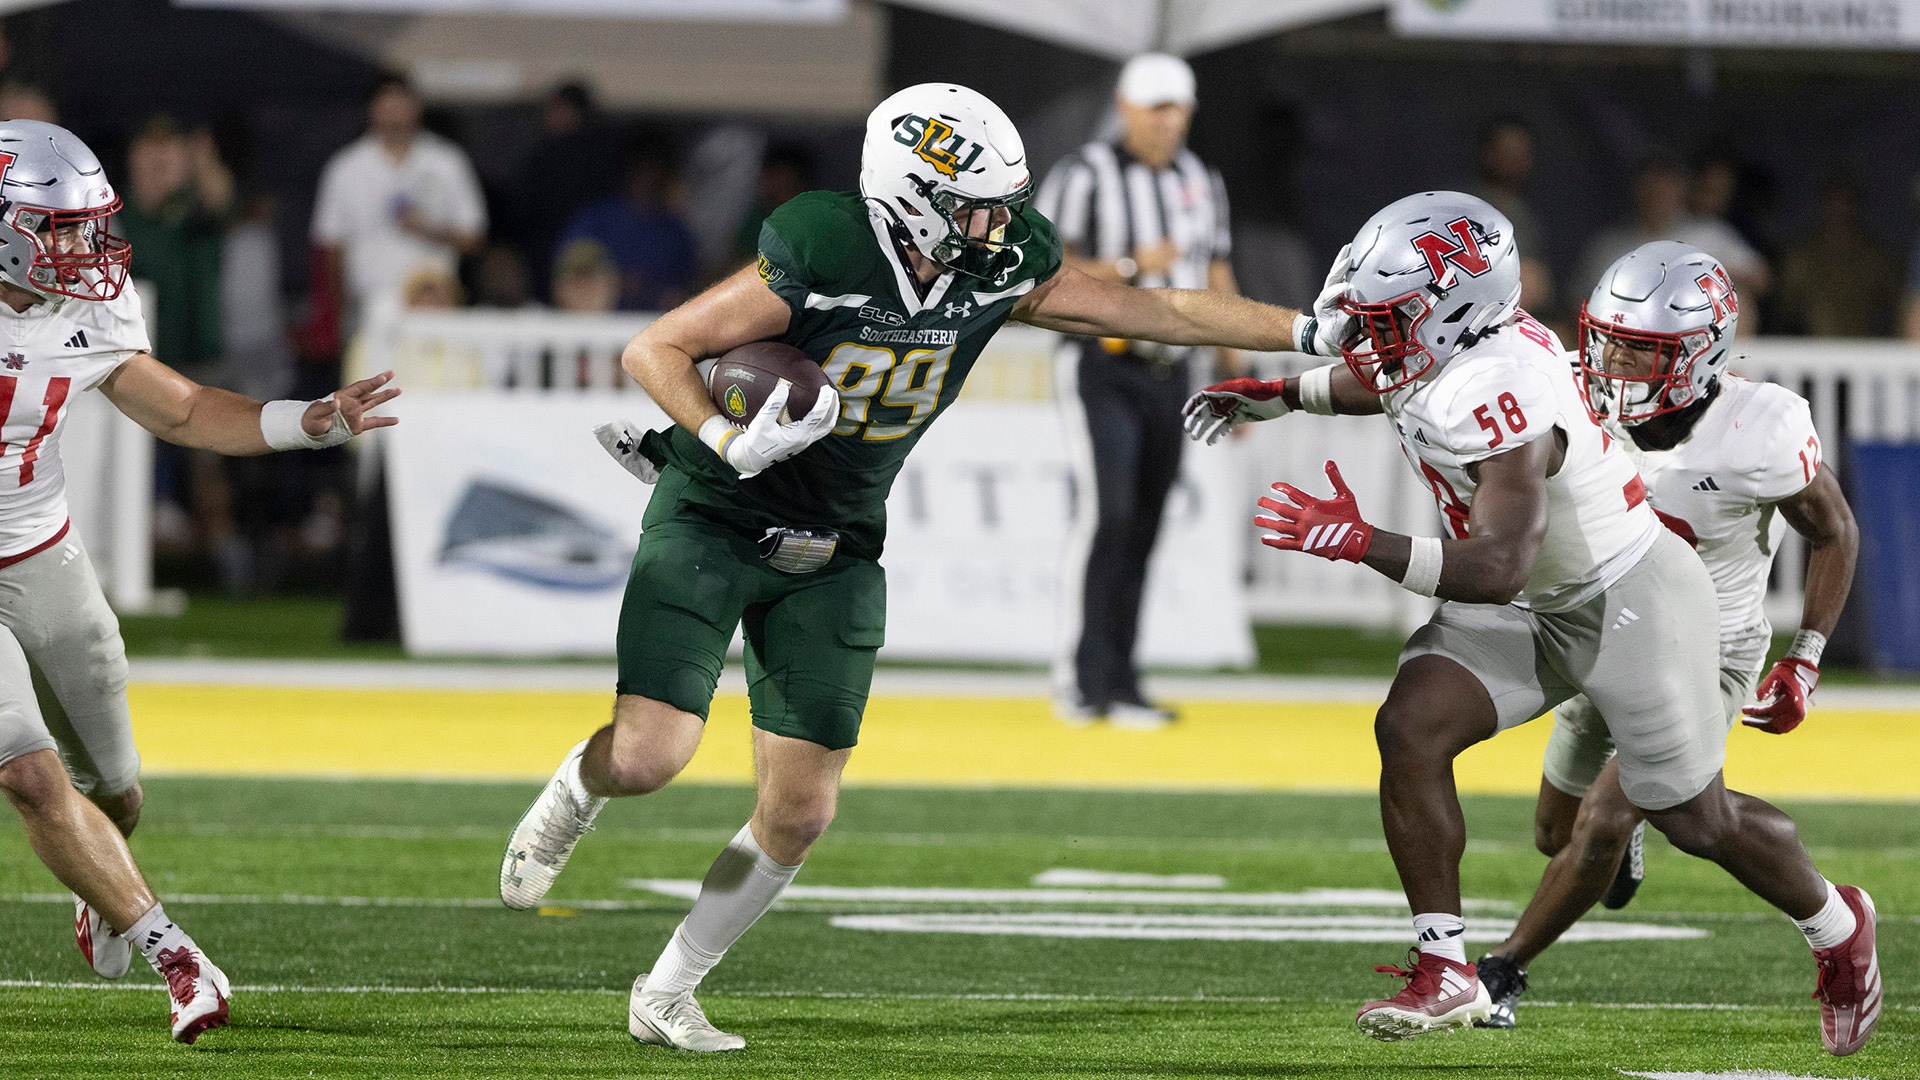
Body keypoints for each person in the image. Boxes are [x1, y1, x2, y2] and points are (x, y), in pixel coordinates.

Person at [497, 81, 1347, 1053]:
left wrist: (1303, 331)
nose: (1003, 224)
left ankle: (669, 989)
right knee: (651, 757)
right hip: (716, 514)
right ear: (913, 197)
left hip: (838, 543)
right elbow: (658, 349)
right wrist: (722, 438)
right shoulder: (828, 241)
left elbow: (1153, 308)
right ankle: (580, 788)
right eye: (980, 204)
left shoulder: (998, 265)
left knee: (801, 810)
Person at [1184, 191, 1881, 1056]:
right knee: (1413, 728)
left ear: (1455, 313)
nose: (1371, 333)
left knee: (1695, 820)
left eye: (1392, 315)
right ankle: (1447, 970)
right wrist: (1282, 396)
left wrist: (1363, 540)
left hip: (1631, 601)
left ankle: (1835, 923)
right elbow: (1389, 377)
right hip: (1538, 599)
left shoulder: (1500, 388)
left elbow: (1495, 566)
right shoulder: (1451, 343)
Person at [0, 119, 399, 1041]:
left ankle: (103, 887)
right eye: (62, 229)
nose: (86, 249)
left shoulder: (85, 307)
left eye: (88, 225)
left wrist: (306, 420)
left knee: (118, 792)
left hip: (37, 547)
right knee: (26, 773)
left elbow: (178, 410)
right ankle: (177, 956)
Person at [1470, 242, 1862, 1031]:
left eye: (1639, 350)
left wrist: (1805, 659)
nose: (1611, 364)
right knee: (1557, 833)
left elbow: (1836, 530)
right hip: (1601, 631)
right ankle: (1633, 827)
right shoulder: (1573, 398)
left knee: (1620, 818)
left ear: (1700, 353)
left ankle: (1500, 972)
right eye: (1606, 341)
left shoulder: (1759, 428)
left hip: (1705, 649)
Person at [1034, 52, 1240, 726]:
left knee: (1148, 521)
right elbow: (1042, 268)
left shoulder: (1199, 178)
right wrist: (1128, 267)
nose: (1168, 120)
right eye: (1156, 106)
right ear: (1125, 108)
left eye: (1177, 107)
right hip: (1102, 360)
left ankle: (1122, 678)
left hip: (1170, 368)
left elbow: (1216, 273)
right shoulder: (1085, 174)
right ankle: (1082, 677)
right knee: (1109, 514)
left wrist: (1235, 370)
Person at [310, 71, 486, 333]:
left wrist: (428, 229)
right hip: (372, 307)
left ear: (416, 106)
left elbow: (474, 237)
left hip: (434, 307)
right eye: (386, 105)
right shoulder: (346, 168)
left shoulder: (446, 162)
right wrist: (339, 316)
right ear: (373, 109)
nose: (394, 114)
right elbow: (332, 246)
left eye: (401, 104)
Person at [1578, 156, 1769, 320]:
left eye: (1664, 187)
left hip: (1697, 333)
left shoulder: (1708, 233)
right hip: (1629, 335)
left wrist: (1703, 270)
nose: (1657, 195)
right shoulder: (1611, 244)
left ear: (1680, 190)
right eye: (1649, 188)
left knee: (1739, 299)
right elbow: (1580, 300)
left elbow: (1761, 279)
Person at [554, 131, 699, 311]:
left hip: (658, 327)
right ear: (632, 168)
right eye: (645, 166)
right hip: (596, 329)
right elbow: (569, 275)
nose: (651, 175)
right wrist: (617, 282)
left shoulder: (675, 231)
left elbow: (688, 290)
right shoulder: (596, 219)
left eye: (658, 167)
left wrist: (653, 292)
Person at [1470, 116, 1553, 315]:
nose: (1514, 159)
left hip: (1508, 318)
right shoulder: (1460, 206)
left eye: (1520, 152)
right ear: (1488, 153)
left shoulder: (1526, 216)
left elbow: (1538, 285)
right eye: (1506, 151)